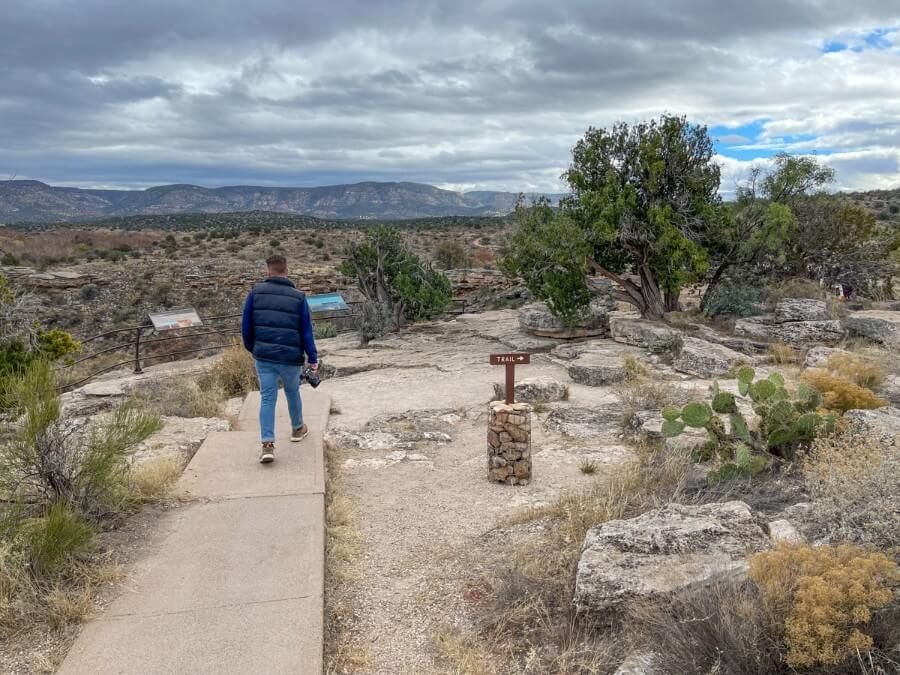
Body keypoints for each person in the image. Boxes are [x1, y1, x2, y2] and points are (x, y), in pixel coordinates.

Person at [241, 254, 318, 463]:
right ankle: (297, 429)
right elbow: (306, 331)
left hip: (264, 356)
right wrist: (312, 357)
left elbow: (246, 328)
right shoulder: (298, 297)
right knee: (293, 392)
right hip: (290, 357)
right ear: (286, 270)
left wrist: (254, 349)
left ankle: (267, 444)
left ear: (268, 271)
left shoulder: (255, 294)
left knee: (267, 398)